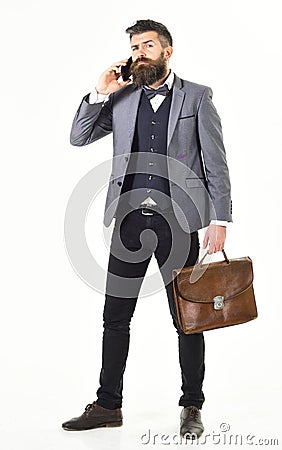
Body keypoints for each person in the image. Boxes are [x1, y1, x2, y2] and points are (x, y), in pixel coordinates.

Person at [62, 19, 232, 439]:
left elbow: (216, 162)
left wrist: (220, 219)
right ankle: (107, 404)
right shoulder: (121, 97)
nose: (139, 53)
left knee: (187, 319)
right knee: (115, 316)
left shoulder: (197, 96)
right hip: (129, 222)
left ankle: (192, 405)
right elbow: (78, 137)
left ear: (167, 52)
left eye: (147, 45)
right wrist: (99, 91)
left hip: (180, 221)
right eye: (135, 46)